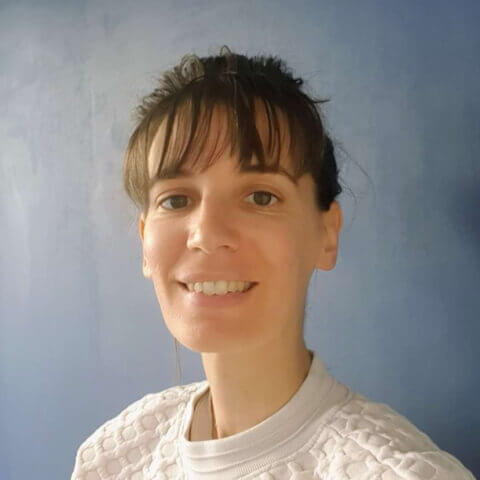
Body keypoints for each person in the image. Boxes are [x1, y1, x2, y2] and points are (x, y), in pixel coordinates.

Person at [71, 46, 475, 479]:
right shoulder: (111, 458)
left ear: (326, 234)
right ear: (145, 241)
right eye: (176, 200)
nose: (206, 234)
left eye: (261, 196)